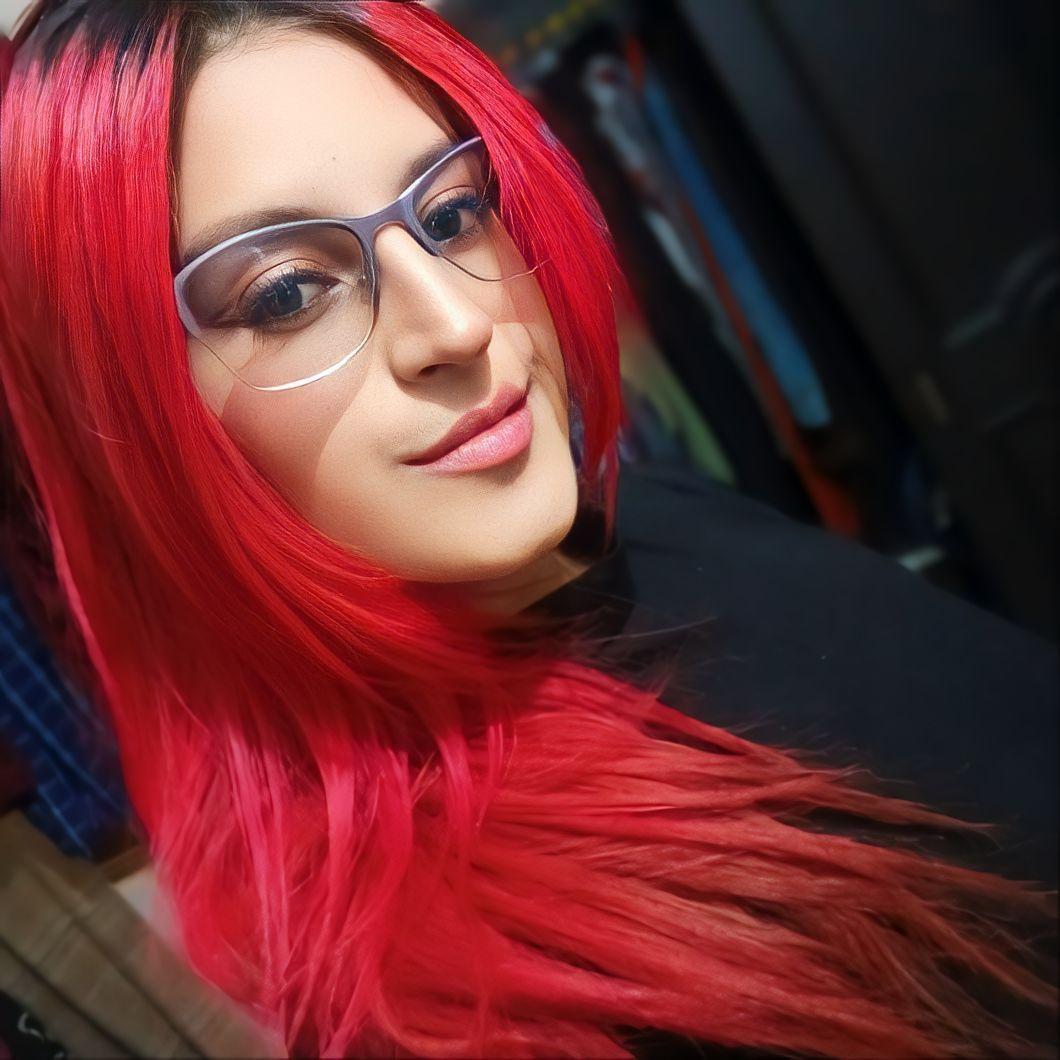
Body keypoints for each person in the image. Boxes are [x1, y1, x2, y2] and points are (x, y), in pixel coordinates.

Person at [0, 2, 1055, 1057]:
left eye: (453, 212)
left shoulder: (649, 514)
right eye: (286, 295)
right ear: (128, 417)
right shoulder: (458, 1010)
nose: (459, 322)